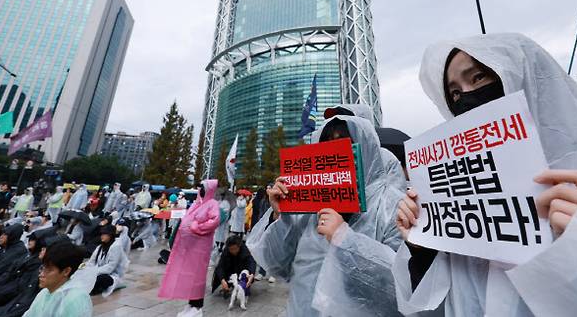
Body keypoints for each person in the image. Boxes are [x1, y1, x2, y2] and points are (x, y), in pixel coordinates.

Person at [394, 33, 577, 316]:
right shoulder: (467, 201)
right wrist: (424, 250)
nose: (465, 96)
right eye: (454, 93)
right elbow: (445, 306)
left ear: (525, 77)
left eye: (478, 78)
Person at [247, 115, 407, 316]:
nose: (336, 151)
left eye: (345, 142)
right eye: (328, 143)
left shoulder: (391, 206)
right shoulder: (311, 207)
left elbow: (401, 290)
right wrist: (282, 216)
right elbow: (277, 264)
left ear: (365, 149)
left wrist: (346, 240)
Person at [158, 179, 220, 317]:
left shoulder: (212, 204)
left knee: (197, 276)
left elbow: (214, 220)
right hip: (189, 246)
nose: (200, 190)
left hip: (201, 247)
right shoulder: (197, 203)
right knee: (189, 275)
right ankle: (190, 304)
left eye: (202, 188)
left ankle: (197, 306)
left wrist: (198, 227)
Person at [323, 103, 408, 192]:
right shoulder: (329, 162)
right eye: (331, 139)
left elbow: (396, 197)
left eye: (341, 138)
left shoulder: (384, 158)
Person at [23, 240, 95, 316]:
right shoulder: (43, 294)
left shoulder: (76, 299)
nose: (41, 274)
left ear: (66, 271)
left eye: (49, 269)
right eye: (43, 267)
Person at [88, 225, 128, 297]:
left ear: (111, 235)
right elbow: (92, 261)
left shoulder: (116, 246)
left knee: (101, 279)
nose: (102, 236)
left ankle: (95, 288)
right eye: (101, 234)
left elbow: (110, 267)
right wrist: (87, 269)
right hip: (98, 271)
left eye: (104, 234)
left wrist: (94, 271)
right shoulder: (100, 247)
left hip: (112, 275)